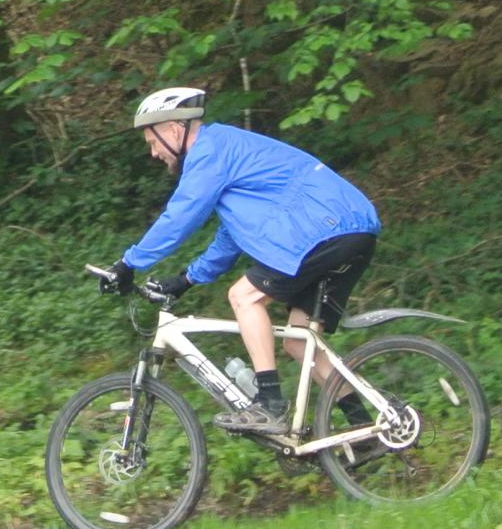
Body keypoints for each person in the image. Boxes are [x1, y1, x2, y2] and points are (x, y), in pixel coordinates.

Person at [94, 86, 380, 437]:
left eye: (152, 142)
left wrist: (128, 262)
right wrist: (188, 279)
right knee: (298, 343)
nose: (153, 153)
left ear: (172, 129)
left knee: (244, 297)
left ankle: (270, 404)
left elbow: (180, 217)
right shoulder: (228, 153)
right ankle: (368, 428)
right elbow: (230, 237)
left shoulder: (210, 151)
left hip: (322, 230)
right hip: (349, 231)